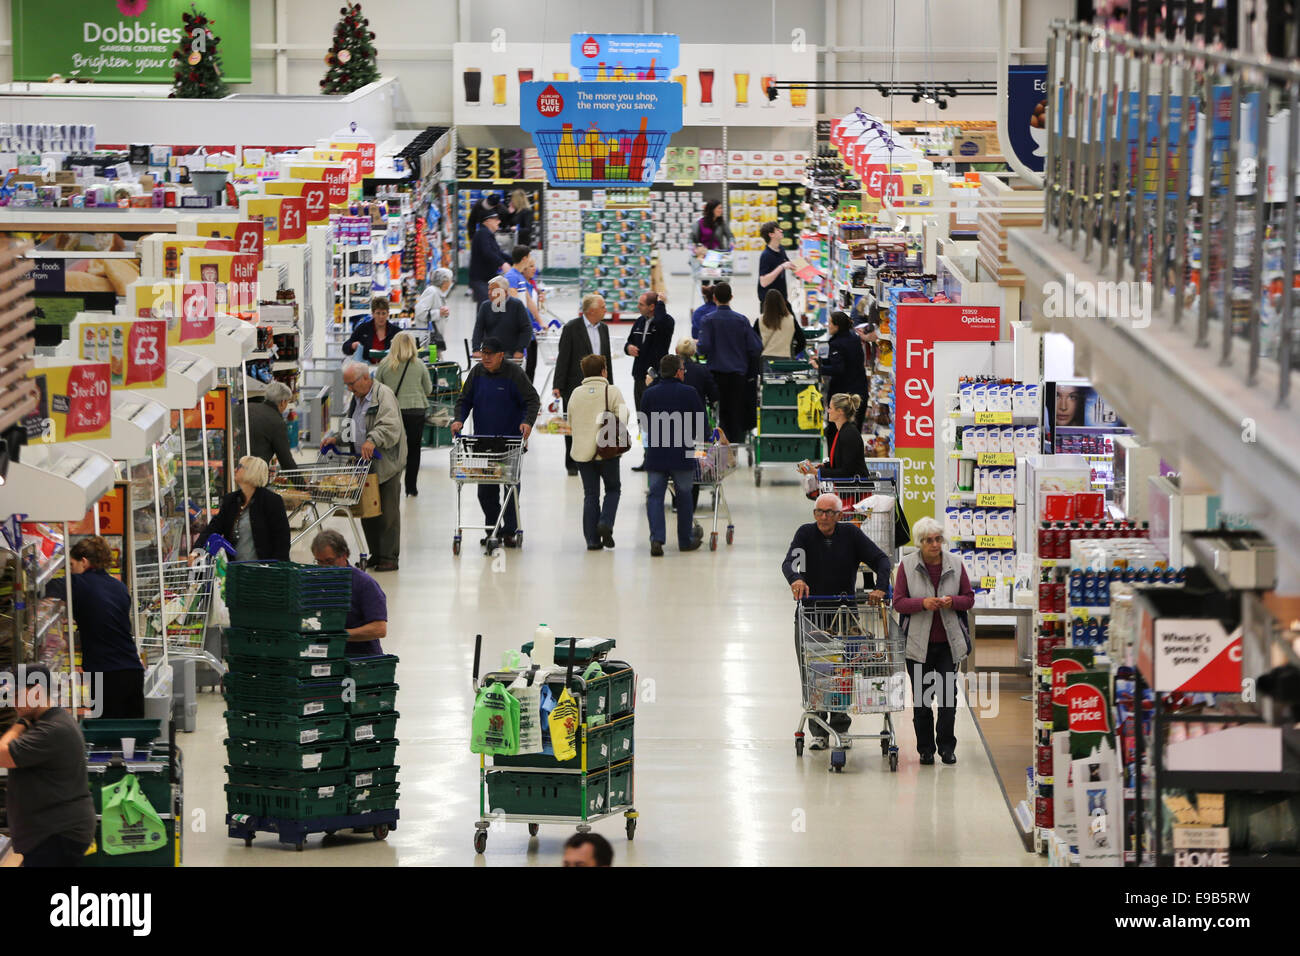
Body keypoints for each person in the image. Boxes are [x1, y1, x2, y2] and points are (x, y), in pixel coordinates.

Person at [781, 493, 892, 749]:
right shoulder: (805, 534)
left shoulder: (851, 536)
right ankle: (819, 732)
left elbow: (881, 559)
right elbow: (790, 563)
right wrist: (795, 579)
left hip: (845, 615)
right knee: (815, 673)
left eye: (830, 512)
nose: (823, 517)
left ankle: (841, 728)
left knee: (843, 673)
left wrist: (881, 587)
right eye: (819, 511)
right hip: (812, 614)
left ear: (839, 516)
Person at [893, 517, 973, 765]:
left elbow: (969, 599)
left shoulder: (956, 565)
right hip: (918, 645)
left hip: (948, 644)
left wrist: (953, 601)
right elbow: (898, 602)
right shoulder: (906, 566)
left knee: (948, 700)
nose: (935, 544)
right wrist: (923, 604)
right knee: (922, 702)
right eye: (929, 540)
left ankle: (947, 748)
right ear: (920, 542)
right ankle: (925, 750)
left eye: (938, 539)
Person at [0, 665, 96, 867]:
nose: (13, 702)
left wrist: (19, 723)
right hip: (49, 833)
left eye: (17, 694)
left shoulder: (53, 728)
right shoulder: (43, 721)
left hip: (57, 834)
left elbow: (2, 755)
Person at [452, 336, 540, 548]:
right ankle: (493, 529)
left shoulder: (514, 373)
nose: (486, 357)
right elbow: (464, 400)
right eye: (483, 353)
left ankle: (509, 531)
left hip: (510, 442)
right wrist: (458, 419)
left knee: (510, 487)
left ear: (501, 355)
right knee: (485, 491)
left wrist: (527, 423)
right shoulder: (477, 373)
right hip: (483, 442)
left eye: (490, 354)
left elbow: (532, 400)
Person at [322, 362, 407, 572]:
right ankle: (376, 554)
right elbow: (352, 427)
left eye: (351, 384)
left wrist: (373, 439)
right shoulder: (356, 399)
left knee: (387, 513)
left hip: (385, 464)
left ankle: (389, 557)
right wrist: (337, 439)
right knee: (368, 512)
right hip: (363, 465)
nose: (349, 389)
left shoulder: (383, 395)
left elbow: (390, 425)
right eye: (347, 385)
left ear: (365, 379)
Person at [54, 537, 143, 719]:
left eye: (71, 565)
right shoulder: (119, 587)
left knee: (107, 736)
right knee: (133, 736)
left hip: (105, 673)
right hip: (132, 670)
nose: (70, 570)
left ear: (84, 562)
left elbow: (43, 588)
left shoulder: (78, 583)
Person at [641, 354, 707, 556]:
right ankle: (685, 540)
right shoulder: (689, 392)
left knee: (655, 496)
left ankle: (657, 540)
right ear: (679, 372)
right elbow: (702, 427)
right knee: (684, 496)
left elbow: (644, 424)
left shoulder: (649, 393)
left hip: (656, 453)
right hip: (682, 453)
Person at [566, 354, 629, 550]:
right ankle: (606, 523)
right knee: (612, 489)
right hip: (607, 452)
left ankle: (592, 540)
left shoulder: (576, 393)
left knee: (590, 494)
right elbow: (623, 418)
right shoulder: (612, 391)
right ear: (603, 371)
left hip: (582, 454)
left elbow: (570, 422)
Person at [553, 293, 614, 476]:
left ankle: (595, 456)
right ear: (592, 310)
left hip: (600, 385)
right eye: (603, 307)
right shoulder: (572, 328)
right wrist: (558, 385)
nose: (606, 310)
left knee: (598, 422)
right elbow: (563, 357)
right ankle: (572, 462)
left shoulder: (604, 328)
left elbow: (607, 358)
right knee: (573, 424)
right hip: (575, 385)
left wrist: (610, 384)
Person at [697, 282, 761, 447]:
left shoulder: (707, 320)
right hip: (738, 376)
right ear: (731, 297)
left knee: (720, 411)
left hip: (716, 376)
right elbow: (755, 347)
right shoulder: (741, 320)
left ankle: (722, 445)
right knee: (736, 410)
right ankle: (736, 445)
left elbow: (703, 348)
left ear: (714, 298)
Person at [198, 455, 291, 562]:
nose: (234, 470)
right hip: (236, 572)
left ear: (251, 472)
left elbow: (282, 541)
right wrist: (197, 550)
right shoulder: (231, 500)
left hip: (265, 572)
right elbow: (213, 528)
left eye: (239, 467)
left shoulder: (272, 501)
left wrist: (276, 571)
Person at [374, 331, 433, 497]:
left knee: (392, 451)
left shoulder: (385, 364)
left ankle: (391, 487)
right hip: (416, 411)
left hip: (392, 412)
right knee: (414, 449)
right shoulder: (419, 364)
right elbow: (428, 389)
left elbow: (377, 390)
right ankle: (411, 488)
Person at [311, 531, 387, 657]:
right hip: (325, 655)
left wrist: (339, 635)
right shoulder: (313, 583)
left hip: (360, 658)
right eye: (319, 562)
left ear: (344, 555)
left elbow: (379, 629)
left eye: (329, 561)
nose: (324, 567)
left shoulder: (365, 584)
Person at [815, 311, 870, 431]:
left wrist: (819, 368)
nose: (828, 325)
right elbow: (846, 361)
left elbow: (838, 369)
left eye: (830, 323)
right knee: (855, 431)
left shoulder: (836, 343)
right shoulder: (854, 338)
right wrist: (822, 361)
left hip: (844, 396)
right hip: (859, 391)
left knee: (836, 432)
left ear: (837, 326)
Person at [625, 291, 675, 413]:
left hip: (656, 377)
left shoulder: (666, 322)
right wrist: (628, 348)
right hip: (639, 376)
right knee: (640, 414)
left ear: (652, 306)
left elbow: (660, 322)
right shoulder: (639, 322)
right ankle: (641, 432)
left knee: (655, 414)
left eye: (641, 304)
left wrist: (661, 303)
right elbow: (629, 341)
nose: (638, 306)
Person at [797, 393, 866, 479]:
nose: (828, 411)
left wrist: (816, 472)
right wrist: (825, 466)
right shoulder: (843, 431)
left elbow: (847, 472)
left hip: (856, 489)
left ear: (840, 411)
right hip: (849, 489)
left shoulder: (849, 434)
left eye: (830, 408)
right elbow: (843, 462)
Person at [471, 275, 531, 361]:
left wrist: (520, 350)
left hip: (511, 353)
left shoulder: (517, 305)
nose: (489, 292)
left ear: (505, 292)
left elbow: (526, 329)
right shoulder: (485, 306)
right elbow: (478, 329)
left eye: (493, 290)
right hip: (490, 352)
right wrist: (476, 349)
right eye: (489, 289)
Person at [505, 245, 541, 383]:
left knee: (531, 366)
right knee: (523, 368)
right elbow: (514, 305)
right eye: (530, 258)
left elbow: (529, 301)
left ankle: (528, 398)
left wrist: (539, 321)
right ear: (525, 258)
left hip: (527, 328)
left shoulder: (519, 276)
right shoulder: (511, 277)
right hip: (519, 330)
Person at [246, 381, 297, 474]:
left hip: (237, 467)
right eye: (287, 402)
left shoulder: (247, 407)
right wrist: (302, 485)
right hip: (255, 474)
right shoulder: (277, 422)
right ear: (283, 402)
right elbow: (286, 461)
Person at [468, 209, 510, 305]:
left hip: (489, 279)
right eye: (496, 219)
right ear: (487, 221)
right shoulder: (483, 233)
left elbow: (498, 253)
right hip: (480, 280)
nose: (499, 221)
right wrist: (502, 263)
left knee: (494, 307)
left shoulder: (487, 234)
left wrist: (515, 260)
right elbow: (487, 252)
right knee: (486, 306)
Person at [754, 287, 807, 359]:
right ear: (782, 302)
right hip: (786, 359)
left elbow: (753, 343)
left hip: (766, 359)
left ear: (766, 303)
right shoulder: (791, 320)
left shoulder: (760, 320)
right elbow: (802, 342)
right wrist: (792, 352)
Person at [344, 295, 398, 363]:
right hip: (366, 370)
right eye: (378, 313)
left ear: (388, 314)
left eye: (383, 313)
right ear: (373, 314)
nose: (381, 317)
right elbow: (345, 347)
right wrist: (352, 346)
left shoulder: (396, 332)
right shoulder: (363, 329)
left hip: (389, 370)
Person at [756, 220, 795, 312]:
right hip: (769, 303)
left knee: (793, 324)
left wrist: (804, 262)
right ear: (771, 234)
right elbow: (763, 282)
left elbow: (789, 264)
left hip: (782, 299)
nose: (781, 231)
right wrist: (781, 267)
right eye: (778, 230)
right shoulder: (765, 255)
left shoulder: (781, 249)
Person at [414, 267, 454, 353]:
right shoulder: (432, 292)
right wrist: (439, 313)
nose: (451, 282)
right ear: (444, 282)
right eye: (450, 280)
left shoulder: (440, 293)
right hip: (427, 339)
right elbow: (420, 313)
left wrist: (444, 313)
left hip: (434, 338)